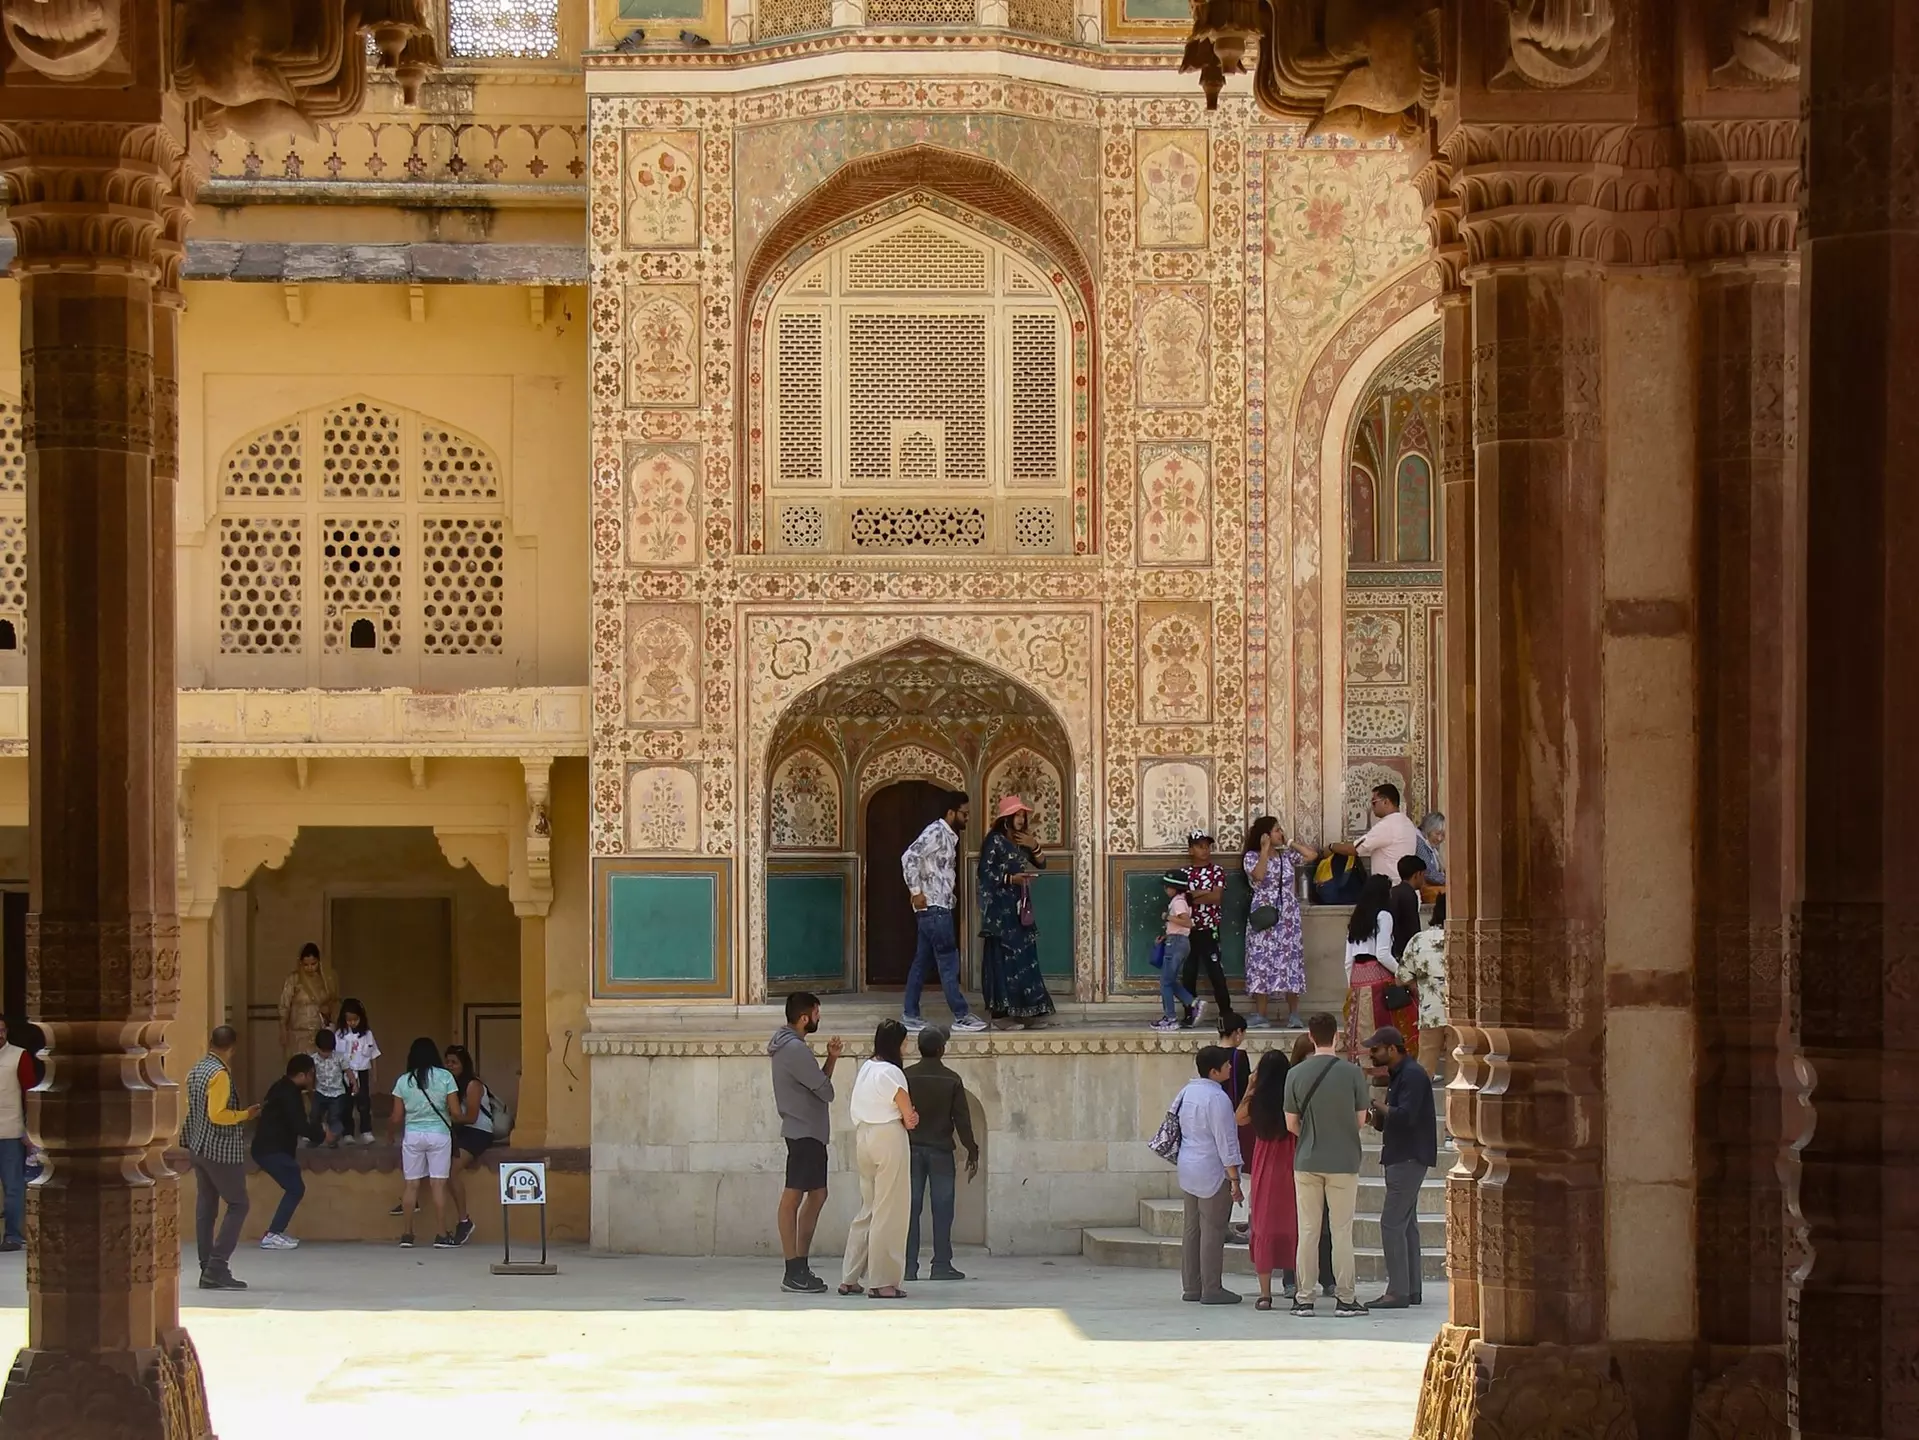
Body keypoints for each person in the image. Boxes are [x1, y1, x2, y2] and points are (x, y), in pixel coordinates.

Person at [1284, 1012, 1371, 1318]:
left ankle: (1304, 1297)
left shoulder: (1295, 1074)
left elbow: (1291, 1123)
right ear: (1337, 1036)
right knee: (1341, 1231)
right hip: (1344, 1160)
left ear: (1310, 1036)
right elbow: (1361, 1119)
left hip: (1307, 1159)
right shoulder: (1352, 1074)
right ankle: (1345, 1298)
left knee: (1308, 1231)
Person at [770, 991, 842, 1293]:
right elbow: (825, 1090)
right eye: (816, 1013)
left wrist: (832, 1058)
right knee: (793, 1198)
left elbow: (819, 1084)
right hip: (804, 1132)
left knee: (817, 1194)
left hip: (807, 1131)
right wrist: (827, 1067)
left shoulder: (790, 1046)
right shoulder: (795, 1050)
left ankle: (800, 1265)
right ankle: (794, 1268)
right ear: (804, 1017)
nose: (818, 1018)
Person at [840, 1019, 918, 1299]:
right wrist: (912, 1118)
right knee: (890, 1209)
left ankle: (849, 1277)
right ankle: (883, 1281)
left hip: (863, 1137)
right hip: (888, 1137)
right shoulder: (892, 1073)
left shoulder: (867, 1067)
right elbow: (907, 1115)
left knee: (869, 1207)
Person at [183, 1026, 262, 1291]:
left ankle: (207, 1266)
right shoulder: (219, 1074)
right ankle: (217, 1266)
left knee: (206, 1206)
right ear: (233, 1048)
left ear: (210, 1043)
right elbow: (217, 1114)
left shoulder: (197, 1069)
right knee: (238, 1204)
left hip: (197, 1145)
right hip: (219, 1149)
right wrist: (245, 1115)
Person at [1363, 1026, 1437, 1308]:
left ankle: (1397, 1292)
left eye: (1376, 1050)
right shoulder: (1400, 1075)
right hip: (1402, 1154)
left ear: (1392, 1049)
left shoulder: (1413, 1075)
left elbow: (1405, 1116)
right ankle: (1411, 1289)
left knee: (1391, 1223)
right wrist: (1376, 1114)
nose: (1372, 1055)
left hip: (1408, 1157)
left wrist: (1374, 1104)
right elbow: (1393, 1119)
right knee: (1407, 1225)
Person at [901, 790, 986, 1034]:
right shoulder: (936, 832)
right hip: (934, 909)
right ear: (951, 813)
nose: (967, 818)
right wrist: (916, 891)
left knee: (922, 961)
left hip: (938, 906)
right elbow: (909, 858)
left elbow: (939, 871)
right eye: (964, 813)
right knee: (948, 960)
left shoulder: (947, 836)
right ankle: (961, 1015)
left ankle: (910, 1014)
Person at [903, 1025, 980, 1282]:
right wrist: (972, 1148)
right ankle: (941, 1264)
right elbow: (962, 1119)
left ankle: (908, 1266)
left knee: (911, 1209)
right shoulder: (951, 1079)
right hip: (940, 1151)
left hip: (911, 1150)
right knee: (943, 1208)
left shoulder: (906, 1076)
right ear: (941, 1049)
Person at [1171, 1045, 1244, 1305]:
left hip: (1188, 1166)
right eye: (1226, 1065)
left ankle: (1192, 1286)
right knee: (1213, 1230)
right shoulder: (1218, 1099)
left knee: (1192, 1229)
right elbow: (1226, 1141)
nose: (1230, 1068)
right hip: (1212, 1169)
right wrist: (1234, 1177)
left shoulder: (1187, 1091)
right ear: (1215, 1071)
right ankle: (1212, 1288)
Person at [977, 796, 1056, 1030]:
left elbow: (1042, 863)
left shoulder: (1022, 841)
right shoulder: (994, 841)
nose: (1020, 820)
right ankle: (1001, 1016)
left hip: (1020, 906)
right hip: (1001, 911)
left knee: (1024, 957)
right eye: (1017, 815)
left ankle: (1026, 1012)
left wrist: (1034, 845)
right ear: (1006, 818)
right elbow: (984, 874)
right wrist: (1011, 878)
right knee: (1004, 959)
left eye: (1023, 815)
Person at [388, 1036, 465, 1250]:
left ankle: (407, 1234)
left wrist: (390, 1133)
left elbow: (396, 1117)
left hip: (412, 1135)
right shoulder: (445, 1077)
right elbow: (456, 1112)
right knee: (438, 1185)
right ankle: (441, 1234)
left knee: (411, 1185)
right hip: (439, 1135)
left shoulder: (403, 1081)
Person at [1235, 1047, 1298, 1309]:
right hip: (1290, 1163)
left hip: (1264, 1165)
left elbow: (1238, 1119)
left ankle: (1265, 1294)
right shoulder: (1292, 1097)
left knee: (1262, 1226)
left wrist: (1250, 1086)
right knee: (1295, 1226)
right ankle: (1298, 1290)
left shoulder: (1256, 1101)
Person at [1241, 817, 1315, 1029]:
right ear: (1264, 834)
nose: (1279, 833)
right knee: (1260, 960)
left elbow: (1311, 855)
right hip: (1264, 912)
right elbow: (1259, 876)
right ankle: (1261, 1014)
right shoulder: (1251, 857)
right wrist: (1264, 850)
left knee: (1290, 961)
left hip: (1287, 915)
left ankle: (1294, 1014)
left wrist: (1289, 842)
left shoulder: (1286, 856)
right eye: (1276, 830)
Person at [253, 1052, 324, 1250]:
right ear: (305, 1074)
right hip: (271, 1149)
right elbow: (300, 1125)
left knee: (294, 1186)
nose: (313, 1079)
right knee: (295, 1188)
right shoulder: (289, 1093)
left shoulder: (280, 1087)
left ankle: (275, 1232)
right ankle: (274, 1234)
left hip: (269, 1148)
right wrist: (321, 1135)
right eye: (312, 1074)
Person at [1343, 874, 1416, 1062]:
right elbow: (1383, 953)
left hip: (1358, 977)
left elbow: (1348, 960)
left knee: (1361, 1026)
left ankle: (1366, 1064)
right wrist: (1403, 973)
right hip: (1377, 975)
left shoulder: (1356, 918)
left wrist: (1351, 985)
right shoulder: (1384, 916)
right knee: (1389, 1021)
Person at [440, 1044, 495, 1248]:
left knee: (451, 1171)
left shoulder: (473, 1085)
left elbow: (471, 1117)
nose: (450, 1066)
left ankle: (464, 1220)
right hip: (460, 1131)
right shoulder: (448, 1084)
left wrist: (452, 1117)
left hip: (477, 1132)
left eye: (454, 1062)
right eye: (447, 1062)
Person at [1180, 830, 1232, 1022]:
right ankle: (1189, 1013)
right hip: (1188, 930)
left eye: (1207, 846)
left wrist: (1194, 893)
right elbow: (1183, 898)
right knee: (1189, 972)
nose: (1205, 850)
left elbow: (1216, 898)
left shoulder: (1216, 871)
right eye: (1200, 846)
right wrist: (1204, 892)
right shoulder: (1184, 873)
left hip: (1209, 929)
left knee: (1215, 971)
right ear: (1191, 849)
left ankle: (1226, 1012)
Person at [1331, 782, 1421, 882]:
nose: (1372, 807)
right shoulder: (1407, 822)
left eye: (1374, 802)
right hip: (1404, 887)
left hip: (1390, 889)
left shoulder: (1387, 825)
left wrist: (1331, 847)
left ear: (1386, 802)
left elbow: (1354, 849)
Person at [1397, 925, 1450, 1080]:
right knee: (1458, 1069)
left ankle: (1419, 1102)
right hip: (1460, 1014)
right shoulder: (1465, 936)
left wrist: (1419, 986)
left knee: (1424, 1068)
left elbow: (1401, 978)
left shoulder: (1418, 939)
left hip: (1430, 1012)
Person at [0, 1019, 35, 1252]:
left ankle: (13, 1235)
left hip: (10, 1132)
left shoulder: (18, 1056)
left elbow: (30, 1095)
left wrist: (30, 1130)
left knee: (13, 1186)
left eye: (1, 1031)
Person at [1152, 872, 1198, 1032]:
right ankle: (1193, 1003)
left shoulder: (1178, 902)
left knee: (1166, 982)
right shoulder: (1182, 901)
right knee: (1169, 980)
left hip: (1177, 943)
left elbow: (1187, 923)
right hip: (1177, 941)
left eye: (1167, 886)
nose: (1165, 889)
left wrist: (1167, 917)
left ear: (1174, 887)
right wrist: (1165, 937)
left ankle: (1171, 1018)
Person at [278, 941, 338, 1059]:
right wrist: (283, 1028)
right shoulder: (294, 979)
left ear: (319, 962)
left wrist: (328, 1010)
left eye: (313, 964)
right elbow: (284, 1005)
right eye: (306, 965)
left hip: (319, 1032)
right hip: (298, 1033)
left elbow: (334, 1002)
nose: (310, 968)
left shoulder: (326, 980)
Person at [334, 999, 380, 1144]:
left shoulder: (367, 1034)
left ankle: (366, 1131)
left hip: (362, 1072)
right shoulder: (339, 1035)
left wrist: (375, 1074)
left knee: (364, 1103)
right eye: (349, 1020)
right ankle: (348, 1133)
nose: (352, 1023)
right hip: (346, 1073)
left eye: (355, 1019)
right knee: (346, 1104)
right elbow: (336, 1057)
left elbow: (373, 1054)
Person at [309, 1028, 350, 1147]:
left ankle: (333, 1140)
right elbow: (311, 1075)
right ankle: (315, 1138)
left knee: (334, 1117)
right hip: (320, 1092)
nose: (326, 1054)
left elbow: (348, 1071)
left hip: (337, 1093)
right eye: (323, 1051)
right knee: (314, 1114)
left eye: (328, 1051)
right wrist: (310, 1089)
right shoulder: (313, 1059)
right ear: (317, 1047)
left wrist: (354, 1084)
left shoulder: (339, 1057)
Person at [1389, 854, 1426, 962]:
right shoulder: (1409, 894)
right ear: (1417, 874)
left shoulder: (1393, 891)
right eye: (1423, 875)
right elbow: (1411, 926)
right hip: (1404, 951)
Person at [1415, 811, 1447, 927]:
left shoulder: (1430, 846)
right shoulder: (1420, 844)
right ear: (1428, 830)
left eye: (1443, 835)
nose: (1440, 838)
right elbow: (1429, 873)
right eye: (1437, 833)